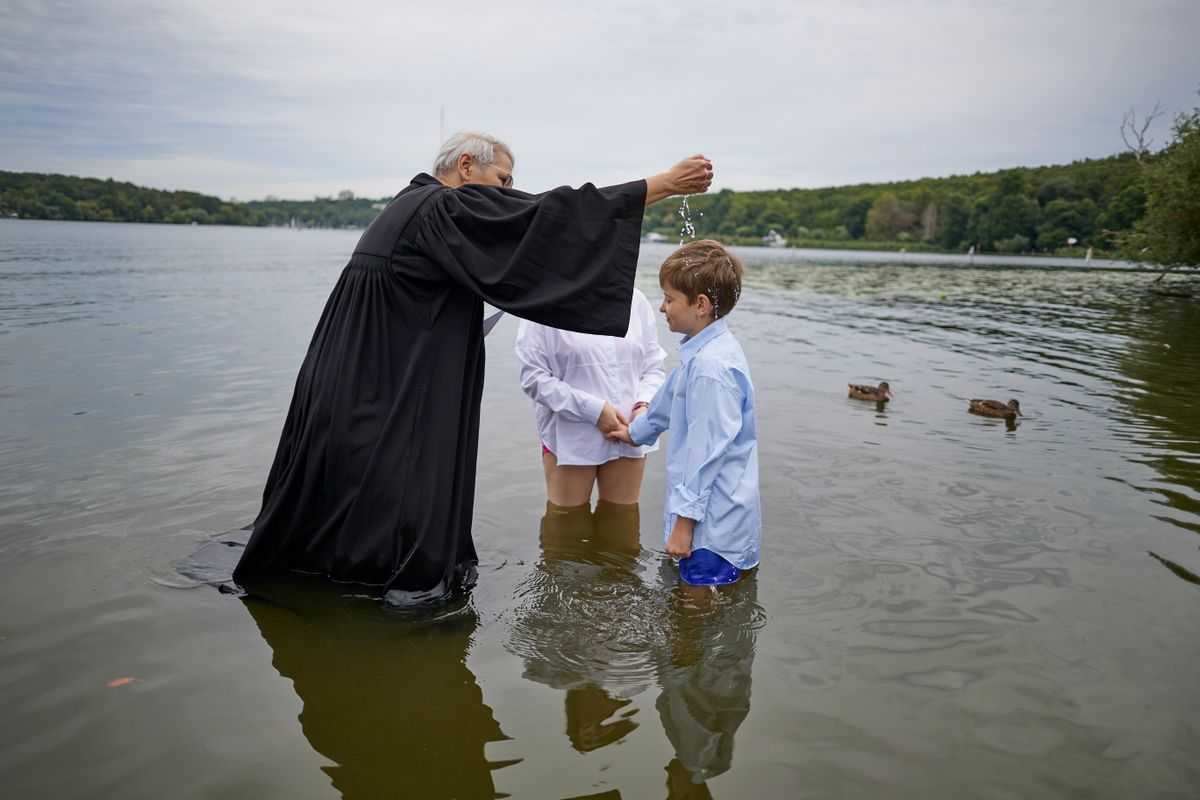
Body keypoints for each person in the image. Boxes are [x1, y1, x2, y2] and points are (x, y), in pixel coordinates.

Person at [231, 131, 713, 603]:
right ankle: (386, 579)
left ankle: (346, 570)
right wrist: (663, 184)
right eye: (501, 181)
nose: (507, 195)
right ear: (465, 166)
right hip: (383, 383)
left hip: (365, 376)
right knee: (392, 482)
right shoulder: (439, 206)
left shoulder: (412, 206)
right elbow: (544, 216)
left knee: (361, 479)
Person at [607, 240, 760, 585]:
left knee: (694, 617)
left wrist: (683, 525)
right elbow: (666, 402)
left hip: (712, 528)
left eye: (670, 299)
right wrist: (634, 432)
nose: (662, 308)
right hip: (709, 517)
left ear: (701, 305)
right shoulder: (703, 349)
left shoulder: (711, 368)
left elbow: (707, 454)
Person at [515, 287, 667, 508]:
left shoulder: (635, 300)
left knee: (621, 527)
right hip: (569, 437)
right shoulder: (543, 300)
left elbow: (653, 367)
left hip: (629, 434)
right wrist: (594, 411)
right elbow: (533, 378)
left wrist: (643, 406)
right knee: (565, 532)